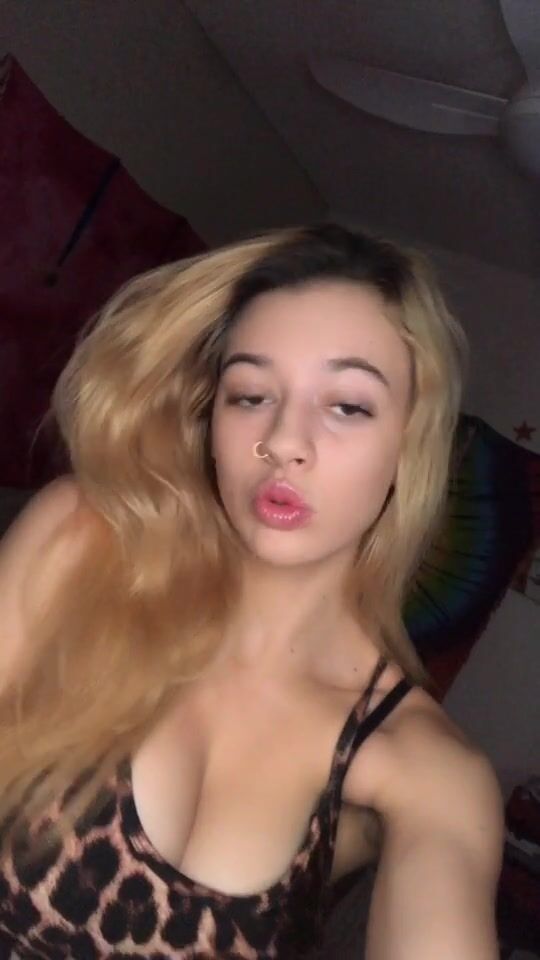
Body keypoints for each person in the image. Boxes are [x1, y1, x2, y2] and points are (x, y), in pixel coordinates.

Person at [0, 223, 504, 959]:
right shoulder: (85, 544)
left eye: (348, 406)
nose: (284, 441)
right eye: (250, 394)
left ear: (410, 444)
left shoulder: (422, 770)